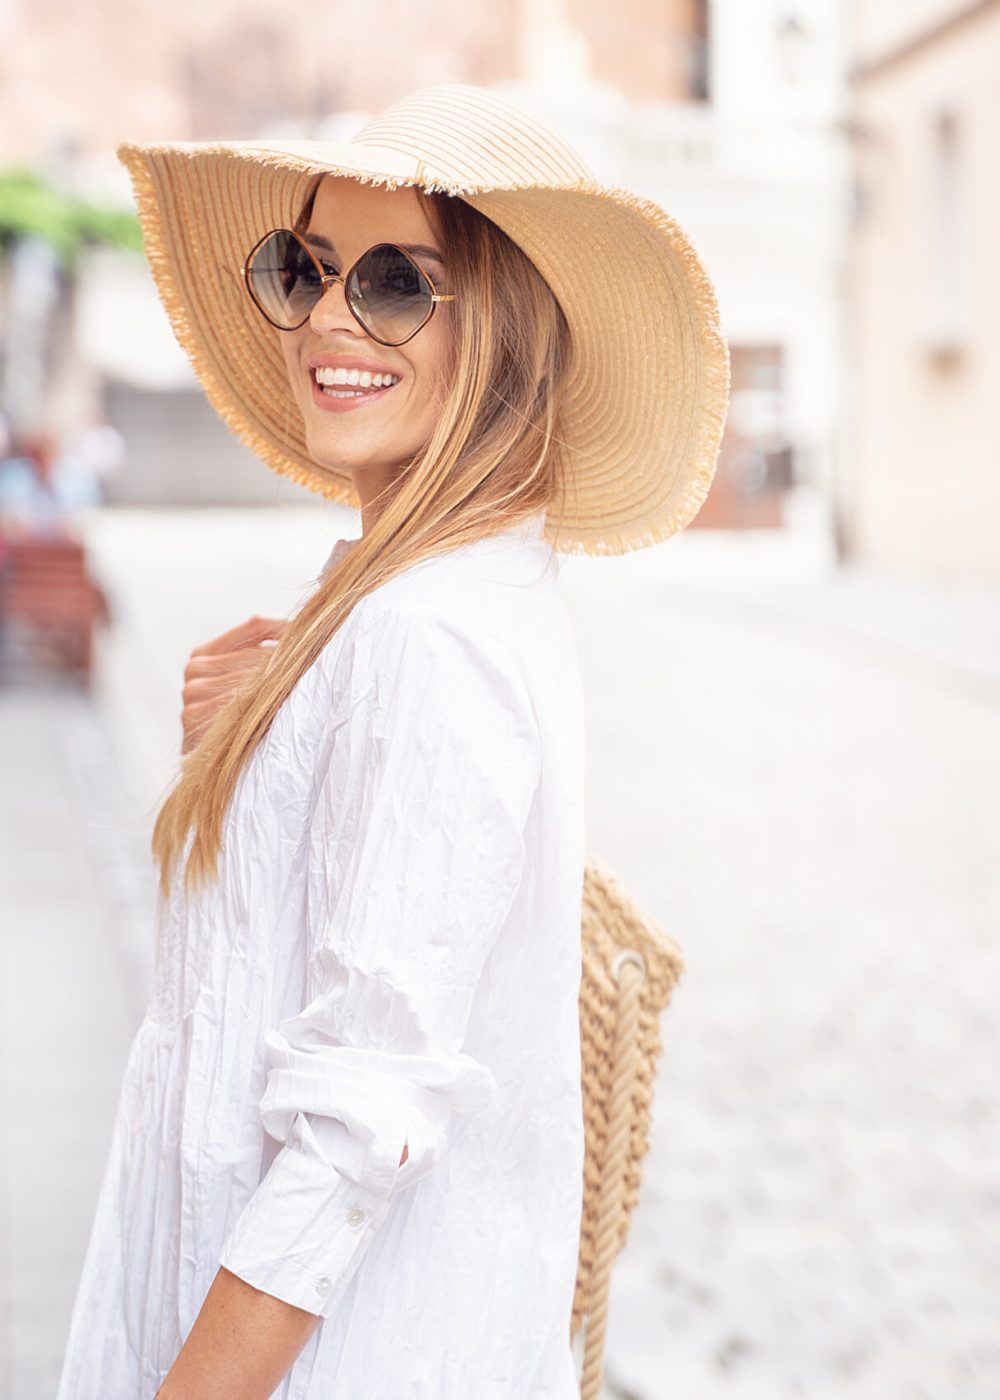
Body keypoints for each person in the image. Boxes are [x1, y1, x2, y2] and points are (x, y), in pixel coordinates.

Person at [54, 83, 728, 1399]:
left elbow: (359, 1125)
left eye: (396, 285)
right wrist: (245, 761)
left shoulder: (428, 634)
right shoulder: (414, 592)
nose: (324, 318)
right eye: (299, 269)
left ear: (509, 332)